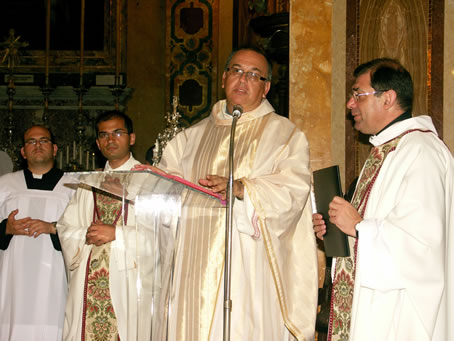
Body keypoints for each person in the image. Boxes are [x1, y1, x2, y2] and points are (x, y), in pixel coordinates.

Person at [135, 47, 318, 340]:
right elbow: (168, 192)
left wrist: (244, 188)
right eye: (236, 70)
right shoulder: (190, 137)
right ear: (223, 78)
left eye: (254, 75)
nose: (243, 79)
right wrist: (151, 182)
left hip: (247, 266)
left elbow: (294, 192)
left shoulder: (285, 135)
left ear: (266, 87)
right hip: (192, 265)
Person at [313, 58, 454, 341]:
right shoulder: (386, 150)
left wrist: (359, 228)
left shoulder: (421, 151)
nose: (350, 104)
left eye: (357, 94)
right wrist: (336, 232)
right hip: (374, 308)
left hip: (401, 316)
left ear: (388, 98)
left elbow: (422, 245)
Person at [57, 111, 148, 341]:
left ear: (132, 138)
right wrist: (87, 234)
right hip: (88, 279)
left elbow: (163, 232)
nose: (111, 140)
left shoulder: (149, 179)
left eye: (118, 133)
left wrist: (116, 233)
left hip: (128, 278)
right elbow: (65, 227)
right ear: (97, 143)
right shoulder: (88, 182)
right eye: (104, 135)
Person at [0, 125, 76, 340]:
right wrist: (5, 228)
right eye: (31, 141)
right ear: (23, 152)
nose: (37, 145)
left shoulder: (74, 187)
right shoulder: (4, 185)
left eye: (43, 140)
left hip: (56, 280)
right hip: (11, 283)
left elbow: (84, 231)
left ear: (54, 149)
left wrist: (54, 228)